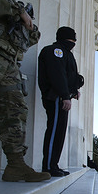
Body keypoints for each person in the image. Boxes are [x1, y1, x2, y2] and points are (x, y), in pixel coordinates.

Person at [0, 0, 50, 182]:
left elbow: (33, 38)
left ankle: (15, 165)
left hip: (8, 66)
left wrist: (27, 22)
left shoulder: (19, 28)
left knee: (15, 113)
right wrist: (19, 10)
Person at [38, 26, 84, 177]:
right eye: (72, 38)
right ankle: (49, 166)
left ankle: (53, 165)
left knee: (59, 132)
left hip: (62, 97)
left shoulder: (66, 53)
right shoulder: (55, 51)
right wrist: (64, 95)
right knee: (54, 131)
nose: (74, 42)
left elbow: (69, 75)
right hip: (56, 97)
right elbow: (57, 75)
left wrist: (74, 90)